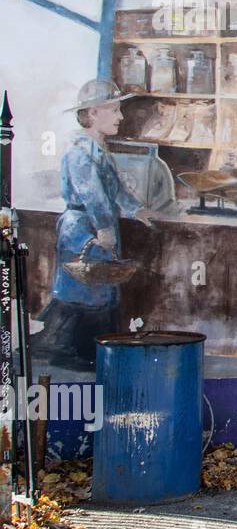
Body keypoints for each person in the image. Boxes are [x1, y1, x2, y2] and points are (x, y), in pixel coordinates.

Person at [33, 79, 158, 370]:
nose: (121, 117)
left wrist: (137, 209)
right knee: (82, 291)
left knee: (99, 290)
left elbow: (116, 191)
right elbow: (93, 195)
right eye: (113, 110)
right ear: (91, 114)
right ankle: (71, 352)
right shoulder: (80, 152)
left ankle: (91, 351)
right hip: (82, 230)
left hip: (97, 228)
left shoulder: (99, 149)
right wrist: (103, 229)